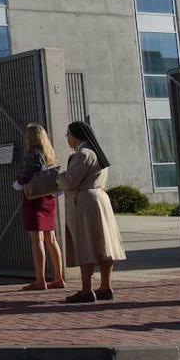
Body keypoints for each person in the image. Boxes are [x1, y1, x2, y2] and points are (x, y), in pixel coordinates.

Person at [57, 121, 125, 303]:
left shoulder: (82, 154)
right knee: (103, 244)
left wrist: (58, 177)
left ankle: (86, 289)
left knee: (85, 244)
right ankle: (105, 286)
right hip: (100, 198)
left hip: (85, 201)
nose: (67, 139)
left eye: (68, 135)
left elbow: (71, 181)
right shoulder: (98, 152)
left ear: (75, 136)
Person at [15, 123, 65, 291]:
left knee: (37, 240)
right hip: (49, 198)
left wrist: (17, 182)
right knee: (51, 238)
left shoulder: (32, 154)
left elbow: (24, 175)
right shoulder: (48, 152)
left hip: (34, 199)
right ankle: (58, 277)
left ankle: (40, 279)